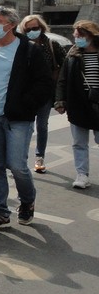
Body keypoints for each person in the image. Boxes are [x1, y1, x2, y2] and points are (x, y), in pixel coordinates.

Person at [0, 6, 53, 229]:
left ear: (11, 24)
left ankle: (27, 201)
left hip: (18, 118)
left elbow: (45, 84)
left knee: (17, 165)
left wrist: (25, 104)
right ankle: (0, 212)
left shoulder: (29, 50)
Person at [54, 20, 99, 190]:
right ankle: (82, 174)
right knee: (79, 142)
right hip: (78, 102)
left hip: (98, 103)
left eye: (81, 35)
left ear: (92, 35)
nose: (77, 38)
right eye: (76, 35)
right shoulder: (72, 55)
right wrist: (60, 101)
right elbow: (62, 79)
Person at [21, 13, 65, 174]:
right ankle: (21, 160)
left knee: (41, 125)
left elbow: (65, 66)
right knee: (25, 127)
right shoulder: (22, 45)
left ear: (41, 27)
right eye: (28, 29)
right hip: (26, 93)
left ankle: (39, 156)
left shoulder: (52, 45)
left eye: (35, 28)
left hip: (45, 92)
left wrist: (61, 94)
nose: (32, 31)